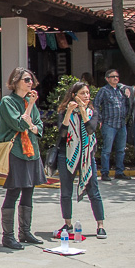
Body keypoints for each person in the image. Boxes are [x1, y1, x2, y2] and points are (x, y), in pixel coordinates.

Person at [0, 67, 44, 250]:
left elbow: (38, 126)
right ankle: (8, 236)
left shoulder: (28, 102)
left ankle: (25, 231)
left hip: (32, 151)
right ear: (16, 81)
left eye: (31, 80)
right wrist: (30, 107)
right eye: (26, 80)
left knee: (29, 191)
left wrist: (33, 126)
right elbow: (18, 123)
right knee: (14, 191)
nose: (30, 83)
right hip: (16, 151)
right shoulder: (7, 102)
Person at [54, 82, 106, 240]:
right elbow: (62, 133)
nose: (86, 96)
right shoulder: (64, 111)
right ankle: (68, 224)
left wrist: (83, 111)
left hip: (87, 156)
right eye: (83, 93)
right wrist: (69, 112)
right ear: (74, 95)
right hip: (67, 155)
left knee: (93, 191)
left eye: (88, 93)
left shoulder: (92, 112)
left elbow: (91, 129)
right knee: (66, 192)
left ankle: (100, 225)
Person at [93, 68, 131, 181]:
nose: (115, 78)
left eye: (117, 77)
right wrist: (99, 119)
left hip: (121, 124)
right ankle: (105, 172)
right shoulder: (103, 90)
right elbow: (96, 104)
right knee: (107, 150)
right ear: (107, 79)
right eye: (113, 77)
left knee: (121, 149)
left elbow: (128, 103)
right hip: (109, 124)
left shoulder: (121, 90)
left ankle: (119, 171)